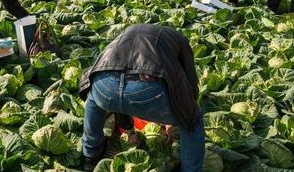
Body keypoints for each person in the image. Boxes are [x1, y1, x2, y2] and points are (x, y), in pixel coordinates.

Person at [79, 23, 204, 172]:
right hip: (145, 89)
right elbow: (189, 82)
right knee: (193, 121)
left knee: (94, 99)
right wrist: (178, 115)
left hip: (105, 83)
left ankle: (91, 155)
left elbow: (111, 71)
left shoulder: (127, 32)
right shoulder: (180, 40)